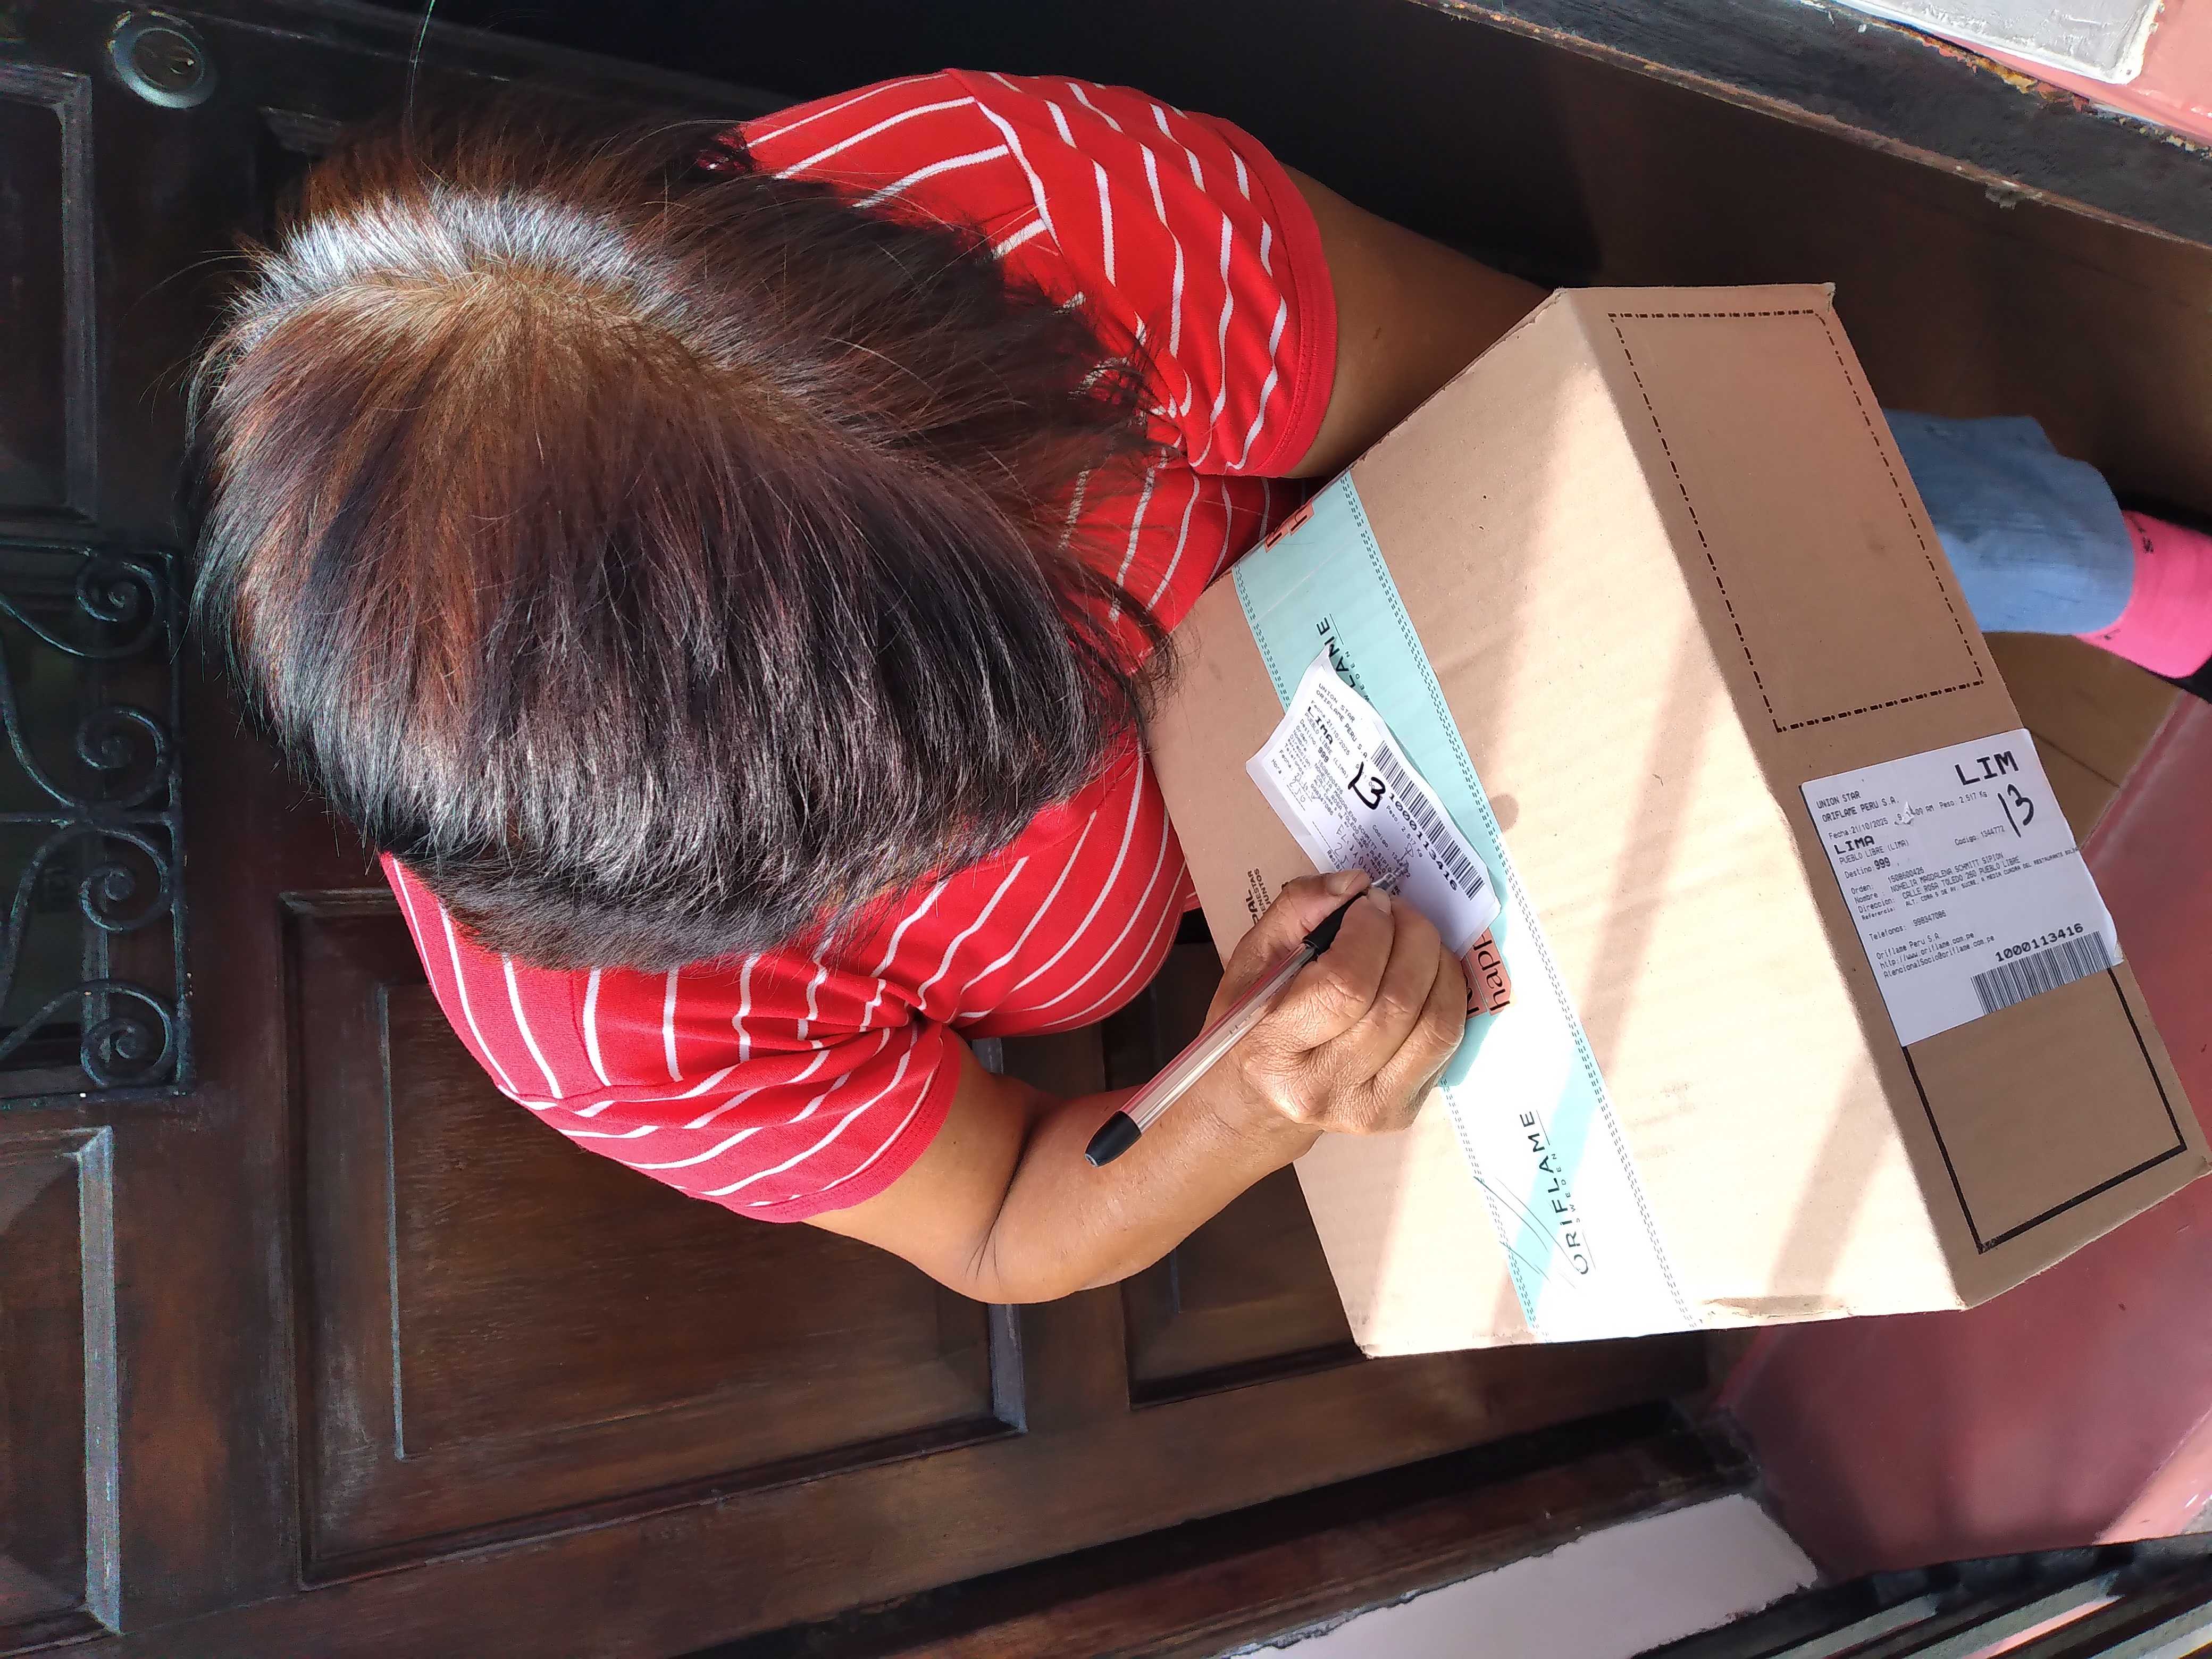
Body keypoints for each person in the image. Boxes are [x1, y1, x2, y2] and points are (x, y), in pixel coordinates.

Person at [187, 72, 2212, 1304]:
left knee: (1809, 490)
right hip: (1335, 863)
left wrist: (1607, 645)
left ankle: (2102, 557)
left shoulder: (1036, 221)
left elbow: (1571, 400)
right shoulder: (598, 1023)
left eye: (1054, 679)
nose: (1036, 807)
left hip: (1424, 523)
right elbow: (999, 1217)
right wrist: (1241, 1095)